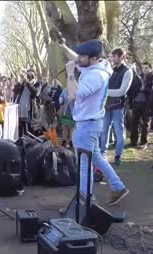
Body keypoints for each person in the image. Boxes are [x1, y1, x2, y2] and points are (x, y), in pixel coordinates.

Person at [59, 38, 129, 205]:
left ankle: (85, 203)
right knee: (96, 157)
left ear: (93, 59)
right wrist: (63, 45)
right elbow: (76, 57)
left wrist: (69, 74)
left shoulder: (96, 75)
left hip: (87, 125)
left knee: (84, 166)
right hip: (91, 123)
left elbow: (74, 95)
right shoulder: (94, 65)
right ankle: (117, 186)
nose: (78, 60)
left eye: (83, 57)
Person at [100, 48, 133, 165]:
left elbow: (122, 91)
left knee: (119, 131)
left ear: (121, 57)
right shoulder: (111, 70)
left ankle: (118, 155)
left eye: (114, 57)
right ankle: (102, 154)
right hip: (107, 105)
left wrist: (104, 92)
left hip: (118, 106)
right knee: (104, 131)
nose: (112, 59)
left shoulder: (128, 71)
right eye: (112, 56)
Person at [129, 62, 153, 149]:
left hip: (147, 104)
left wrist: (144, 89)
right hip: (136, 102)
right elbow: (132, 87)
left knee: (145, 124)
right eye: (143, 68)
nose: (144, 69)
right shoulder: (139, 76)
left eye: (146, 68)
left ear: (150, 68)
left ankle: (143, 142)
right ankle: (133, 141)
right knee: (134, 122)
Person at [13, 69, 42, 137]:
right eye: (27, 75)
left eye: (30, 75)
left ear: (34, 75)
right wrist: (20, 82)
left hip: (30, 112)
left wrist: (28, 83)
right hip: (21, 111)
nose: (28, 76)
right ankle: (21, 145)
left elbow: (35, 93)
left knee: (29, 131)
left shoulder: (38, 84)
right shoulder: (24, 84)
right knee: (20, 131)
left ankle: (30, 146)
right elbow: (15, 91)